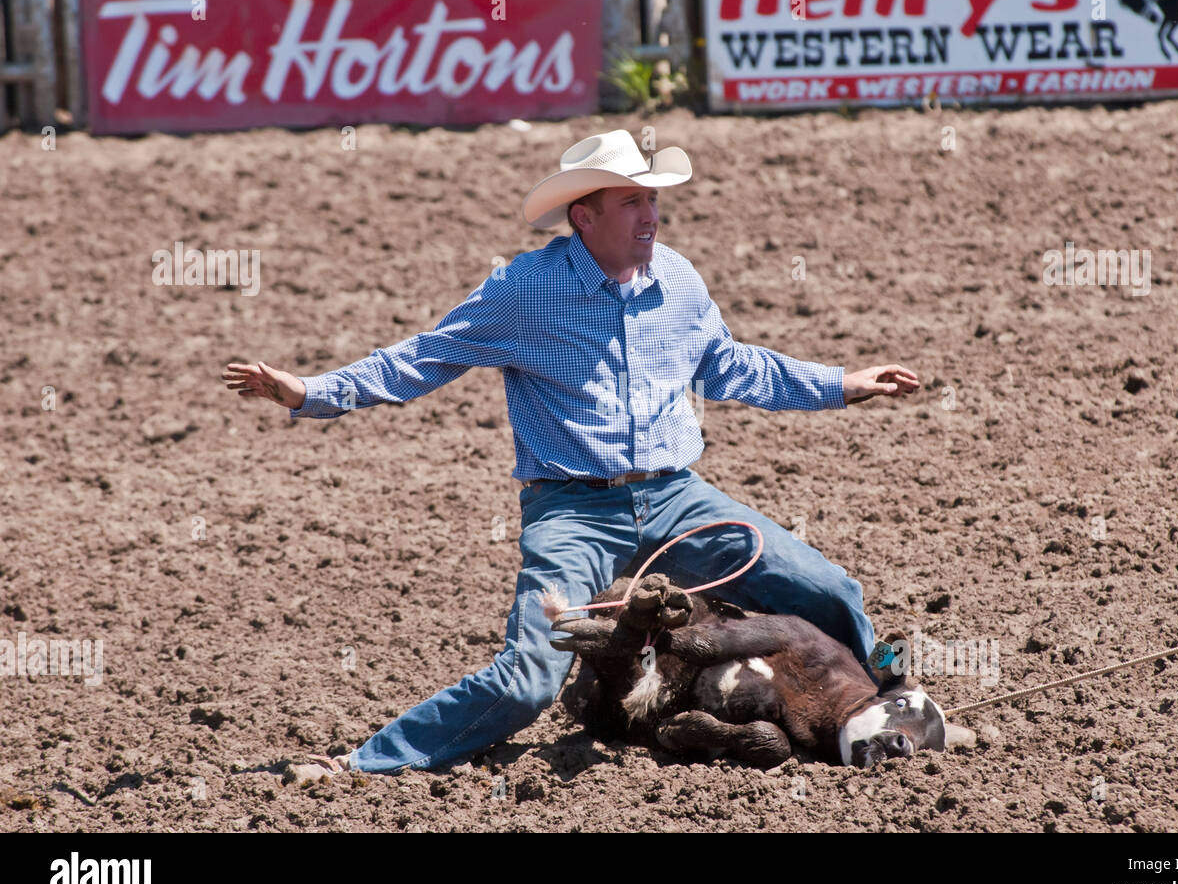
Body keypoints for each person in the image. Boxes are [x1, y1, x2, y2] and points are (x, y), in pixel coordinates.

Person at [223, 129, 919, 774]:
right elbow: (422, 358)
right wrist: (309, 392)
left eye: (653, 199)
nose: (651, 215)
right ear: (583, 216)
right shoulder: (523, 290)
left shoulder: (678, 281)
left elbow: (733, 365)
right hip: (571, 511)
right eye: (631, 201)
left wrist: (841, 383)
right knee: (528, 678)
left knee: (829, 591)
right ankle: (366, 761)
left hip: (677, 496)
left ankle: (887, 702)